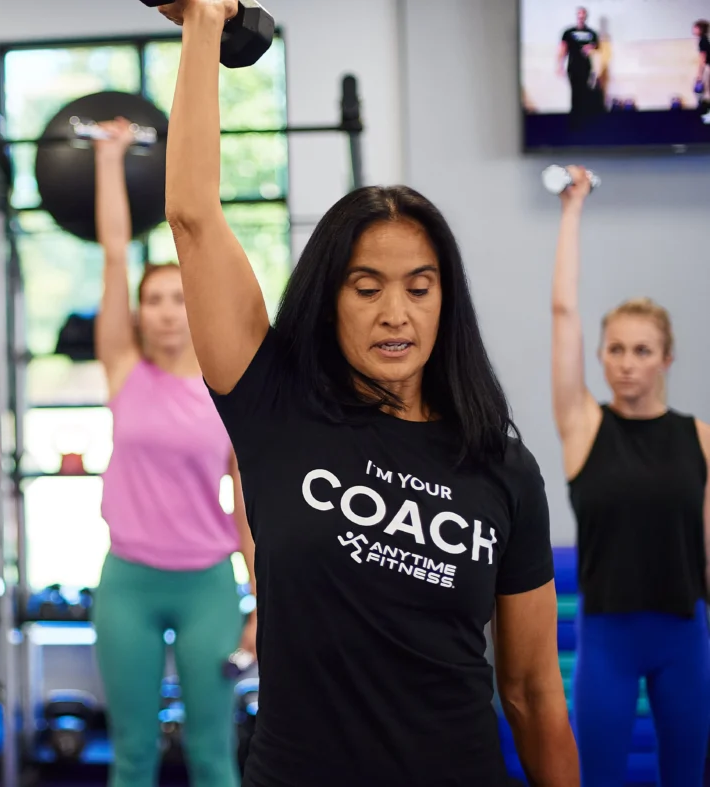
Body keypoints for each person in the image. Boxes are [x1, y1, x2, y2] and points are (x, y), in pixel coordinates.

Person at [153, 2, 580, 785]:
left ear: (445, 300)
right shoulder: (274, 403)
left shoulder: (502, 468)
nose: (396, 312)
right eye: (367, 286)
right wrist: (205, 24)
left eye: (420, 287)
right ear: (331, 298)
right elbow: (193, 217)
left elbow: (530, 689)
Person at [88, 118, 257, 787]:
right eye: (152, 299)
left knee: (213, 752)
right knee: (132, 753)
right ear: (137, 312)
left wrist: (259, 606)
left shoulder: (227, 391)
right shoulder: (123, 368)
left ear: (196, 306)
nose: (163, 310)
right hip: (127, 580)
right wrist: (110, 161)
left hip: (208, 585)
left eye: (178, 297)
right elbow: (111, 255)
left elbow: (249, 512)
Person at [548, 167, 710, 787]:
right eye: (615, 349)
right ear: (600, 356)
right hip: (609, 640)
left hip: (683, 638)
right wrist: (572, 210)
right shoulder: (583, 425)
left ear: (667, 358)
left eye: (642, 350)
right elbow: (564, 312)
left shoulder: (698, 440)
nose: (626, 363)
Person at [558, 7, 601, 123]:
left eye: (583, 15)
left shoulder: (591, 33)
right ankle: (574, 119)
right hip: (573, 66)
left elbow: (597, 47)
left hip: (586, 67)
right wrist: (559, 65)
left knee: (585, 91)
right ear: (577, 16)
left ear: (586, 17)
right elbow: (562, 49)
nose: (581, 17)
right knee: (575, 92)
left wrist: (590, 47)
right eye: (579, 15)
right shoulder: (569, 32)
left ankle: (585, 118)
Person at [694, 19, 709, 110]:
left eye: (695, 28)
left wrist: (699, 75)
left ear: (700, 29)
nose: (694, 30)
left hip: (708, 68)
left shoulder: (703, 41)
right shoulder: (705, 40)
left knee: (702, 91)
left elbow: (703, 59)